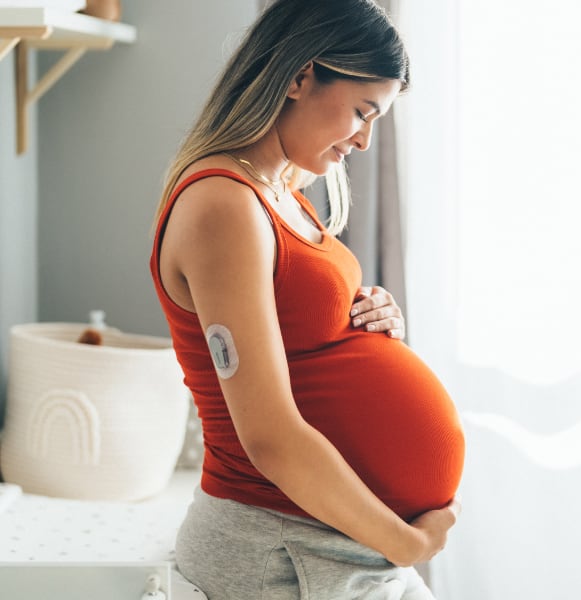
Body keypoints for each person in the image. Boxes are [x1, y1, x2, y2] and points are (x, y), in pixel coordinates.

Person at [149, 0, 465, 598]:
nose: (365, 141)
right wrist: (407, 545)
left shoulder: (280, 191)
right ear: (299, 76)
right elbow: (269, 437)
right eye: (362, 112)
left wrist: (367, 321)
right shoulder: (224, 204)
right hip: (284, 545)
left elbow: (301, 341)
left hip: (328, 538)